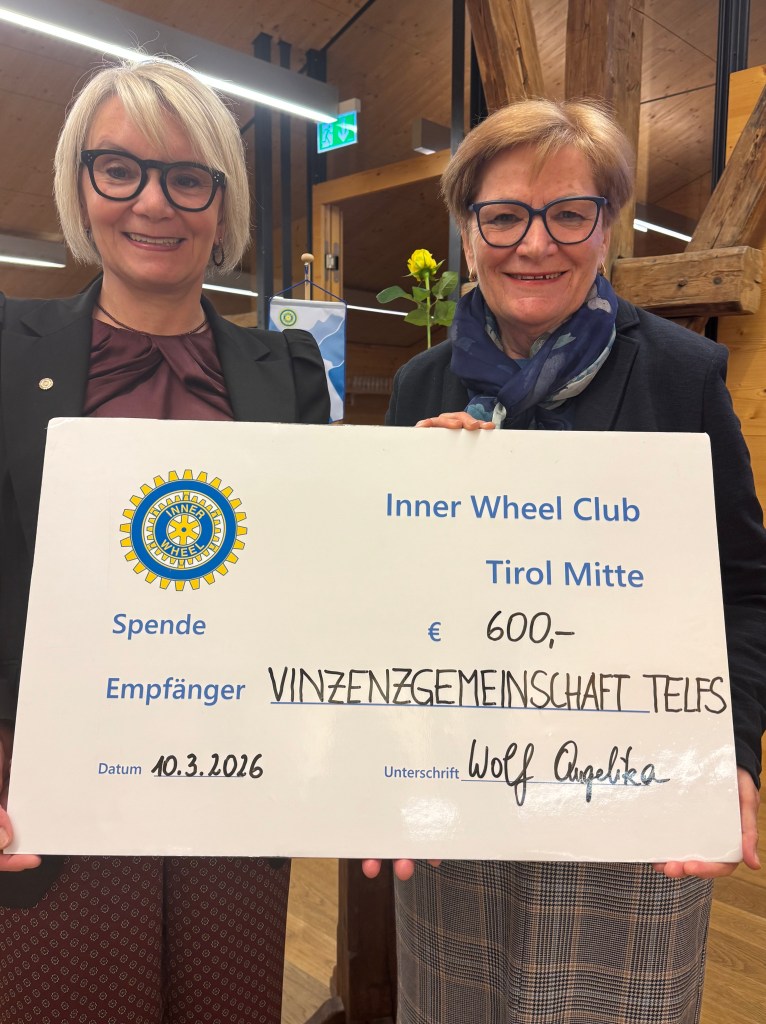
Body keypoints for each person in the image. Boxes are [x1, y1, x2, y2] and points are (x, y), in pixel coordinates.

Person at [371, 99, 766, 1024]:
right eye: (504, 215)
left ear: (607, 225)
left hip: (633, 800)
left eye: (569, 213)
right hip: (457, 796)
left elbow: (745, 590)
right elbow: (386, 602)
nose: (535, 244)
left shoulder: (679, 374)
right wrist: (412, 517)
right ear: (467, 231)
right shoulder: (424, 385)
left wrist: (735, 752)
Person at [0, 58, 329, 1023]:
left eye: (188, 178)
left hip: (236, 786)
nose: (153, 202)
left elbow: (317, 578)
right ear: (80, 185)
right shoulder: (7, 351)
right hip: (47, 793)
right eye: (120, 169)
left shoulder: (287, 372)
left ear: (222, 206)